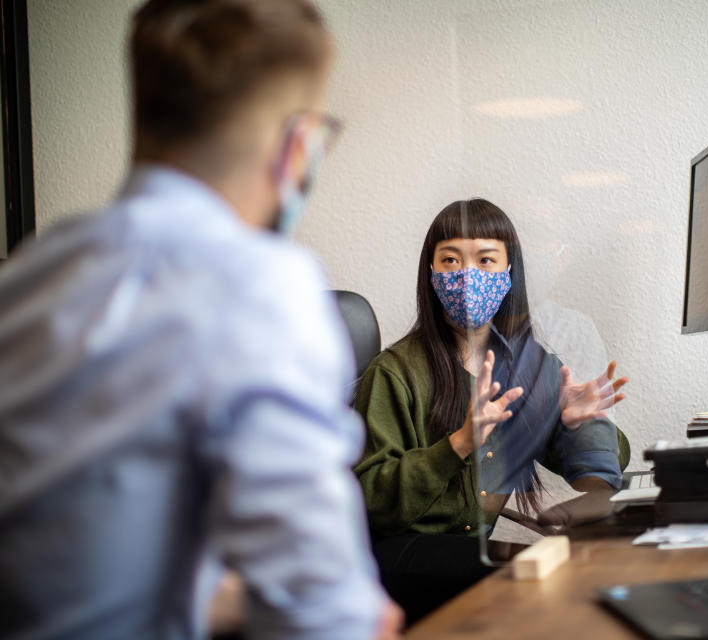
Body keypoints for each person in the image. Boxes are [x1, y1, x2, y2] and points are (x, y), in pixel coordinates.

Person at [0, 1, 401, 638]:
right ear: (300, 146)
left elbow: (81, 558)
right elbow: (326, 620)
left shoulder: (31, 274)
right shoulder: (261, 285)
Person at [354, 198, 630, 622]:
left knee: (579, 575)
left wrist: (581, 424)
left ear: (508, 273)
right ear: (430, 274)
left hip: (471, 549)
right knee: (528, 588)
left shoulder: (530, 365)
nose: (468, 276)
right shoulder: (393, 372)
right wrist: (459, 444)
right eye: (450, 260)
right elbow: (368, 499)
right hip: (394, 554)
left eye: (486, 260)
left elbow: (597, 474)